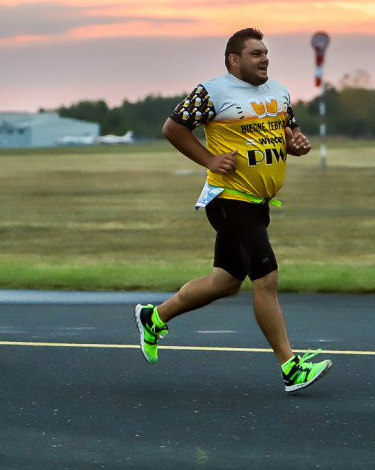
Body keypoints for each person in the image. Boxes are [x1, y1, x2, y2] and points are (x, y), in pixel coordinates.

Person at [135, 28, 332, 393]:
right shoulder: (212, 92)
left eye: (266, 53)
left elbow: (287, 135)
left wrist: (298, 145)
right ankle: (291, 367)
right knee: (266, 277)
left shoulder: (280, 92)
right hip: (228, 200)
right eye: (256, 54)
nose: (265, 59)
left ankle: (155, 317)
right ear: (234, 60)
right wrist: (209, 158)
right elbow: (172, 129)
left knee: (224, 283)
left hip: (259, 203)